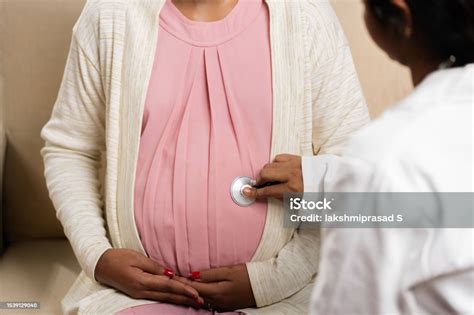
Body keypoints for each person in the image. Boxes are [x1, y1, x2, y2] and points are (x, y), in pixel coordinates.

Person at [40, 0, 369, 313]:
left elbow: (350, 169)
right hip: (128, 298)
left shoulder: (307, 17)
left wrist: (276, 279)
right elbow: (69, 148)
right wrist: (97, 256)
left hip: (283, 299)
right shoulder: (109, 15)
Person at [245, 0, 473, 313]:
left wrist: (342, 189)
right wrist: (324, 187)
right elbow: (456, 208)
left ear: (398, 18)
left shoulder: (388, 156)